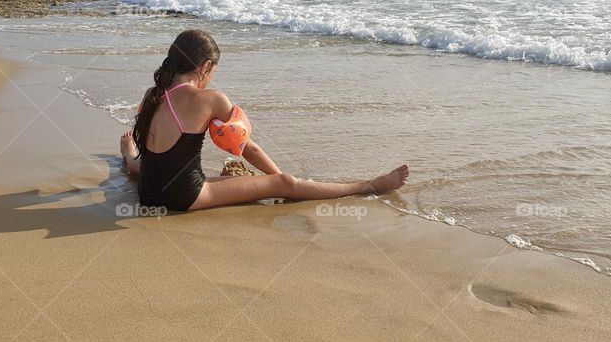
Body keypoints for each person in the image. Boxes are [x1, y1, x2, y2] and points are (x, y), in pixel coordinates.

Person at [120, 29, 408, 211]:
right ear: (205, 67)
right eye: (213, 71)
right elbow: (247, 148)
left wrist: (134, 155)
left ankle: (128, 155)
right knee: (283, 182)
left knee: (143, 164)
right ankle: (369, 185)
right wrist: (280, 180)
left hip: (149, 192)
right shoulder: (210, 99)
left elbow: (153, 156)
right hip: (184, 197)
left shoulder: (153, 94)